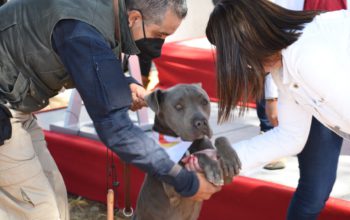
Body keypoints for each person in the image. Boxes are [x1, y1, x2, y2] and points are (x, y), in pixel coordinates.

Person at [0, 0, 220, 219]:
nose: (159, 46)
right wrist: (183, 180)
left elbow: (83, 61)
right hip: (5, 113)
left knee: (54, 197)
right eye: (160, 34)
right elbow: (115, 127)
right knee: (38, 209)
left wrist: (121, 84)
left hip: (18, 109)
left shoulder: (104, 14)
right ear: (134, 18)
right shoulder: (82, 30)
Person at [206, 0, 350, 219]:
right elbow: (290, 136)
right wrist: (223, 161)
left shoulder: (308, 54)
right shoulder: (285, 63)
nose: (241, 67)